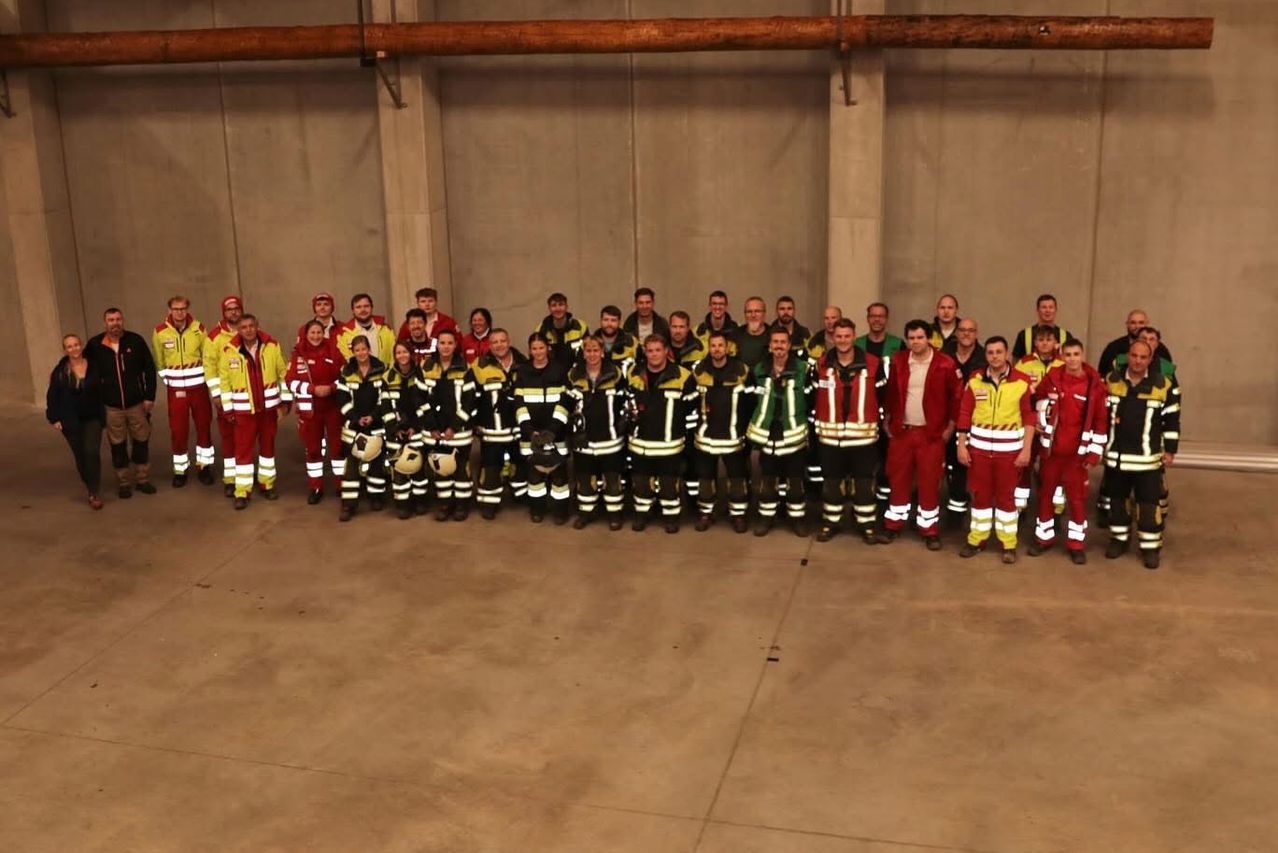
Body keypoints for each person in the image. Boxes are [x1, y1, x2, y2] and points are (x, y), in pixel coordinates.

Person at [881, 319, 961, 549]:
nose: (916, 342)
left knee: (929, 482)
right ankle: (893, 525)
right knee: (898, 481)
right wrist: (888, 420)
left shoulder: (945, 364)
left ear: (929, 339)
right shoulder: (898, 361)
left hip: (931, 435)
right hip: (902, 432)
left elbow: (956, 398)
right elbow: (890, 394)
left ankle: (929, 529)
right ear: (907, 340)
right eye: (911, 338)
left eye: (920, 337)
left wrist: (950, 427)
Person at [1028, 338, 1107, 564]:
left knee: (1077, 500)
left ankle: (1076, 544)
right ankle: (1043, 539)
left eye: (1076, 354)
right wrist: (1040, 419)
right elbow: (1035, 400)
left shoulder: (1094, 386)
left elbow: (1101, 421)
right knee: (1045, 496)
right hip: (1051, 454)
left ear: (1082, 356)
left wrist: (1094, 453)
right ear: (1061, 356)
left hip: (1077, 457)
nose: (1072, 358)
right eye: (1068, 354)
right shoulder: (1052, 379)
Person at [956, 337, 1035, 563]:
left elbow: (1030, 418)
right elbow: (964, 413)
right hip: (978, 451)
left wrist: (1026, 450)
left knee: (1006, 500)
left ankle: (1008, 544)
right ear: (986, 356)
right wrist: (962, 445)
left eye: (999, 352)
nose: (994, 356)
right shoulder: (975, 380)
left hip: (1009, 453)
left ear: (1007, 354)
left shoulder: (1021, 381)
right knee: (979, 498)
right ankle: (976, 540)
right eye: (990, 352)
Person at [1102, 340, 1179, 570]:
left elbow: (1172, 419)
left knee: (1148, 506)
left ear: (1150, 359)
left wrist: (1171, 450)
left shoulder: (1164, 385)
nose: (1137, 361)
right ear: (1128, 355)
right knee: (1116, 503)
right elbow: (1101, 418)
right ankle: (1118, 540)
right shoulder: (1111, 381)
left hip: (1148, 460)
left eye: (1143, 357)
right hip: (1116, 457)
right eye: (1134, 356)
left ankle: (1150, 548)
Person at [812, 319, 886, 544]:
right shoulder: (821, 365)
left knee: (864, 484)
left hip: (863, 439)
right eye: (838, 336)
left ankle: (866, 525)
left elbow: (883, 397)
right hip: (830, 438)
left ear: (854, 336)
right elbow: (812, 398)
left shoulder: (873, 364)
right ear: (833, 337)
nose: (842, 340)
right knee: (832, 483)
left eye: (847, 336)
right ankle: (831, 522)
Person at [217, 313, 290, 510]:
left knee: (267, 450)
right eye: (244, 327)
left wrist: (286, 402)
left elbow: (283, 374)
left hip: (268, 410)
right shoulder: (228, 350)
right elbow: (224, 383)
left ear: (257, 326)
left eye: (251, 326)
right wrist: (228, 410)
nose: (248, 330)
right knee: (243, 453)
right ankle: (242, 491)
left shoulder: (272, 346)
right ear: (238, 330)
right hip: (242, 412)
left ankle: (267, 484)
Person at [627, 334, 698, 533]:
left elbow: (691, 411)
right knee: (641, 483)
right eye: (650, 351)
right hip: (640, 443)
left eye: (658, 350)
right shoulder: (634, 374)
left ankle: (671, 518)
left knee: (669, 484)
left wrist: (688, 440)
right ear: (645, 352)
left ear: (666, 351)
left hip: (670, 444)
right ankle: (642, 515)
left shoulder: (683, 376)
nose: (654, 355)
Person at [85, 308, 157, 499]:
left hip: (137, 405)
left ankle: (143, 480)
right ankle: (124, 483)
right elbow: (81, 367)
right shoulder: (95, 345)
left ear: (122, 320)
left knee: (141, 442)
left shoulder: (136, 341)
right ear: (105, 323)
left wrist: (150, 396)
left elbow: (149, 369)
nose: (115, 323)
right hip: (111, 407)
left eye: (118, 319)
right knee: (118, 446)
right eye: (110, 320)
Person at [746, 328, 812, 537]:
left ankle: (797, 520)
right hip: (768, 434)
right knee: (768, 480)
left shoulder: (804, 369)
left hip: (793, 434)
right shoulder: (758, 370)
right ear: (770, 345)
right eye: (775, 342)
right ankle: (766, 518)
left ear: (789, 345)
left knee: (795, 482)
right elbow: (750, 401)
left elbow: (811, 401)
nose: (779, 346)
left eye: (783, 342)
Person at [691, 329, 754, 533]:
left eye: (720, 345)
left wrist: (745, 430)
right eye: (713, 345)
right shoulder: (699, 371)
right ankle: (706, 513)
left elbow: (751, 402)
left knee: (737, 478)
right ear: (708, 348)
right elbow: (691, 403)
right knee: (706, 479)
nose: (717, 349)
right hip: (705, 437)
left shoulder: (742, 371)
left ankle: (738, 515)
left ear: (727, 348)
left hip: (733, 437)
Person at [566, 335, 629, 530]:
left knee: (612, 480)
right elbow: (567, 406)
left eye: (596, 350)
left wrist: (622, 423)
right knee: (585, 479)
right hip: (583, 441)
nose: (592, 354)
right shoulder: (573, 376)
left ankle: (614, 515)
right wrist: (574, 431)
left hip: (610, 440)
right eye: (588, 350)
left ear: (602, 352)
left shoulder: (616, 374)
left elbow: (626, 400)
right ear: (583, 353)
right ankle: (586, 513)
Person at [151, 295, 214, 487]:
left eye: (183, 308)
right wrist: (170, 380)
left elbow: (208, 356)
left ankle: (204, 467)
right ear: (169, 310)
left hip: (199, 389)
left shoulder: (199, 329)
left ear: (187, 309)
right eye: (176, 309)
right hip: (175, 390)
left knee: (204, 427)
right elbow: (159, 361)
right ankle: (181, 470)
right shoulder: (160, 332)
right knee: (178, 431)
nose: (179, 312)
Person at [512, 332, 571, 524]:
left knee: (559, 479)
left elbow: (564, 403)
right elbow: (519, 404)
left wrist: (553, 430)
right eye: (534, 348)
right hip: (532, 435)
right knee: (535, 478)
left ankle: (560, 511)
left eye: (541, 347)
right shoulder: (522, 372)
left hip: (556, 434)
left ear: (548, 348)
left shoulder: (560, 371)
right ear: (529, 350)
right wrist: (529, 431)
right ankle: (537, 510)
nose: (538, 352)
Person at [469, 328, 527, 519]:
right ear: (489, 345)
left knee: (520, 465)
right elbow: (471, 397)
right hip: (491, 430)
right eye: (495, 342)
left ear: (509, 341)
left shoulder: (524, 364)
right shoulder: (479, 366)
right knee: (491, 467)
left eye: (502, 341)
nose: (499, 345)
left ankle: (521, 496)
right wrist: (475, 423)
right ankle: (489, 502)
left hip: (518, 429)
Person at [420, 329, 477, 521]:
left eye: (450, 343)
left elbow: (470, 401)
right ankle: (445, 504)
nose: (446, 347)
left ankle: (462, 504)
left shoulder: (465, 369)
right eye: (442, 343)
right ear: (438, 345)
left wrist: (455, 426)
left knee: (461, 468)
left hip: (458, 431)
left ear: (455, 345)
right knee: (440, 468)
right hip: (434, 431)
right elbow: (419, 398)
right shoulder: (426, 367)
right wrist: (431, 426)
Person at [286, 320, 344, 505]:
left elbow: (346, 376)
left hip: (333, 407)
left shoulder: (334, 350)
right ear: (306, 334)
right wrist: (312, 389)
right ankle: (315, 487)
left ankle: (342, 485)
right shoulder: (298, 355)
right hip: (310, 410)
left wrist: (332, 387)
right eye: (312, 333)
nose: (316, 336)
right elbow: (290, 382)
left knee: (337, 448)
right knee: (313, 450)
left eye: (319, 332)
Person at [46, 334, 106, 509]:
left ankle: (94, 492)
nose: (74, 349)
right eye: (70, 346)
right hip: (70, 420)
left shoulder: (93, 366)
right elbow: (52, 396)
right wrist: (54, 417)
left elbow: (102, 390)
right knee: (80, 455)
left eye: (76, 345)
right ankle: (89, 486)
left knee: (91, 452)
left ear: (81, 346)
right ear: (65, 350)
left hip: (92, 417)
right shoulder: (60, 371)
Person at [335, 335, 387, 521]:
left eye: (364, 349)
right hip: (354, 428)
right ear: (353, 352)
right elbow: (342, 399)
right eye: (357, 350)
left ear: (369, 349)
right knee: (351, 468)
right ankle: (349, 505)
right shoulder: (346, 372)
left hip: (376, 426)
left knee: (376, 466)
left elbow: (385, 398)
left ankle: (376, 498)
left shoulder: (381, 369)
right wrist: (356, 419)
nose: (361, 353)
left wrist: (373, 416)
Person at [1014, 324, 1065, 512]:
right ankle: (1020, 505)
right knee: (1024, 464)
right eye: (1041, 340)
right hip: (1030, 424)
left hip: (1056, 427)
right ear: (1035, 342)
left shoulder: (1063, 364)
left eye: (1048, 340)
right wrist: (1030, 422)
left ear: (1056, 343)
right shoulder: (1024, 363)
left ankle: (1054, 505)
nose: (1044, 344)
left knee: (1052, 467)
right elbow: (1018, 395)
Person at [856, 302, 904, 501]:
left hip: (888, 410)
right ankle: (864, 500)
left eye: (881, 316)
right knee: (864, 458)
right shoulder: (857, 344)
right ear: (867, 318)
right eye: (873, 316)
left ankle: (884, 504)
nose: (877, 319)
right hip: (862, 411)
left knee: (887, 458)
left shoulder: (898, 344)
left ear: (887, 319)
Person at [941, 318, 985, 519]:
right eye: (963, 330)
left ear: (976, 333)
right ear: (956, 333)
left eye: (971, 330)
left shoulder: (985, 358)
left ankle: (956, 514)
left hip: (973, 422)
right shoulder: (943, 356)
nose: (966, 334)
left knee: (962, 468)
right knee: (938, 465)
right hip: (945, 418)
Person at [382, 341, 430, 519]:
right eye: (398, 353)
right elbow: (385, 406)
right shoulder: (388, 377)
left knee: (418, 468)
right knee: (399, 469)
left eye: (405, 352)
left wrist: (415, 427)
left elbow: (425, 403)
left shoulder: (421, 375)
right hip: (396, 430)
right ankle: (403, 504)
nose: (402, 356)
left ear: (411, 354)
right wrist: (394, 428)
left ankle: (420, 501)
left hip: (416, 429)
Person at [204, 295, 243, 495]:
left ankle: (245, 474)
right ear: (223, 313)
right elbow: (209, 368)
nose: (233, 312)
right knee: (228, 438)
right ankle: (231, 479)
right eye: (229, 310)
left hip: (248, 398)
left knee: (245, 439)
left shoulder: (251, 332)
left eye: (236, 308)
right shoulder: (214, 337)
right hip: (226, 398)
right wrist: (217, 395)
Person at [1098, 309, 1172, 376]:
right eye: (1133, 323)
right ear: (1127, 324)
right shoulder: (1113, 347)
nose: (1137, 326)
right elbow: (1102, 373)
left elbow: (1170, 375)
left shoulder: (1161, 349)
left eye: (1141, 322)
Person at [337, 293, 396, 363]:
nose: (363, 310)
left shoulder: (386, 330)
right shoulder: (344, 335)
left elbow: (394, 356)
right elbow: (344, 362)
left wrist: (389, 373)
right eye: (358, 307)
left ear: (372, 307)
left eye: (366, 306)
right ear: (353, 310)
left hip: (385, 373)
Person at [536, 292, 589, 368]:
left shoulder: (580, 326)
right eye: (554, 305)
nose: (558, 309)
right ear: (549, 308)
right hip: (550, 373)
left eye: (561, 304)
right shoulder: (541, 330)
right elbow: (536, 355)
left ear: (567, 307)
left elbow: (589, 351)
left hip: (576, 371)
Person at [1011, 293, 1071, 360]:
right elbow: (1015, 361)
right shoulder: (1024, 335)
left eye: (1051, 307)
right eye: (1044, 307)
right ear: (1037, 311)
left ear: (1056, 310)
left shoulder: (1066, 336)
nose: (1047, 311)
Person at [596, 305, 639, 374]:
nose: (609, 324)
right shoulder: (591, 343)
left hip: (625, 383)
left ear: (619, 322)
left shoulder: (631, 342)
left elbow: (640, 366)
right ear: (600, 321)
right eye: (606, 320)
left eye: (613, 320)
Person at [736, 297, 771, 368]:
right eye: (749, 312)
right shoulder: (736, 335)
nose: (753, 315)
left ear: (764, 314)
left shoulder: (773, 335)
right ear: (745, 315)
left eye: (757, 311)